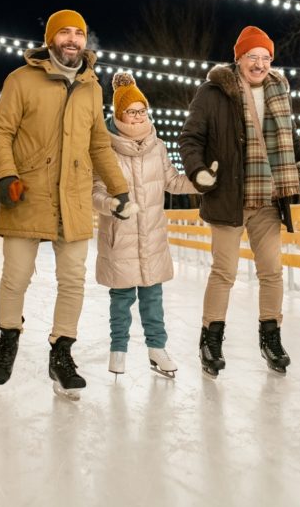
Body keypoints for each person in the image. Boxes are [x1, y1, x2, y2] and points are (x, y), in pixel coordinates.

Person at [0, 9, 135, 400]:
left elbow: (99, 143)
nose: (72, 40)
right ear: (51, 39)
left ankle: (62, 352)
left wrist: (119, 189)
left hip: (74, 195)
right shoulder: (21, 80)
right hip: (27, 193)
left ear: (85, 41)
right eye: (64, 33)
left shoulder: (92, 87)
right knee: (16, 276)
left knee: (72, 280)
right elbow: (0, 132)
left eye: (79, 34)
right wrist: (5, 175)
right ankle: (7, 338)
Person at [179, 25, 300, 377]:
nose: (259, 64)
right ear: (238, 58)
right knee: (224, 271)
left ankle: (271, 338)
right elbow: (190, 138)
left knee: (271, 271)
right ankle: (210, 341)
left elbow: (289, 137)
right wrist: (198, 172)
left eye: (265, 57)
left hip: (269, 199)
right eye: (252, 57)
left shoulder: (278, 92)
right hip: (229, 198)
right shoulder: (213, 93)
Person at [93, 72, 198, 380]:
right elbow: (94, 192)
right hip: (120, 235)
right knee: (122, 298)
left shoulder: (158, 147)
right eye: (131, 111)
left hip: (152, 235)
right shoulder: (104, 149)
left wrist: (202, 183)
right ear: (119, 114)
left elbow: (174, 181)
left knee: (153, 298)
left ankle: (157, 349)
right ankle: (119, 350)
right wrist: (113, 205)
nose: (138, 116)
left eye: (142, 110)